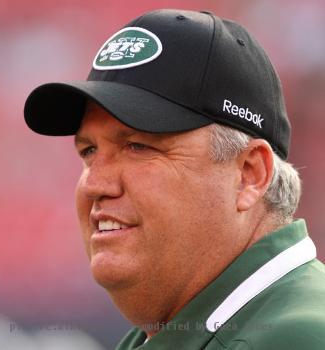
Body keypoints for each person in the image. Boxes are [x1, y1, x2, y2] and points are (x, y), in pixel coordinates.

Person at [24, 9, 325, 350]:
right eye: (89, 151)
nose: (95, 184)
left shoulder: (297, 338)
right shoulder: (169, 335)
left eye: (137, 146)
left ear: (248, 175)